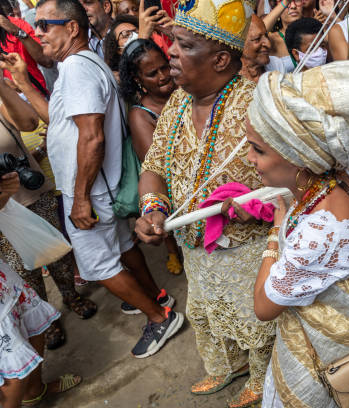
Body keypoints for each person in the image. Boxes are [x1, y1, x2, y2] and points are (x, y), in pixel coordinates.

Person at [247, 59, 349, 407]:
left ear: (299, 157)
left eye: (258, 149)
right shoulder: (348, 173)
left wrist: (277, 233)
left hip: (334, 361)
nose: (249, 158)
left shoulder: (319, 231)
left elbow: (263, 307)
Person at [135, 0, 275, 405]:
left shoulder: (256, 105)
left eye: (183, 45)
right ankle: (226, 367)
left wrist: (256, 206)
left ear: (218, 59)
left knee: (255, 321)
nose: (170, 54)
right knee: (207, 314)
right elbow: (154, 166)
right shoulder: (177, 103)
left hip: (248, 252)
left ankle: (260, 379)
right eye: (172, 44)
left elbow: (289, 184)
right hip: (195, 249)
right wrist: (153, 208)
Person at [24, 0, 183, 358]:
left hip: (91, 191)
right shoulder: (80, 64)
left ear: (72, 28)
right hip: (98, 186)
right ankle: (157, 297)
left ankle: (159, 317)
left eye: (46, 25)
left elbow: (92, 135)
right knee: (124, 248)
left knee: (98, 266)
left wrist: (79, 198)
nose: (38, 33)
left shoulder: (78, 69)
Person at [0, 64, 97, 350]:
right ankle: (47, 320)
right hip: (2, 213)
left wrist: (3, 86)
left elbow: (30, 123)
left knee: (56, 253)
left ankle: (71, 296)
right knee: (25, 270)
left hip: (30, 194)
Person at [0, 172, 81, 408]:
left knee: (30, 325)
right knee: (10, 366)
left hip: (5, 280)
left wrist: (3, 195)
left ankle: (35, 391)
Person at [118, 38, 182, 275]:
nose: (163, 75)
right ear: (138, 80)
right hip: (171, 187)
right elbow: (156, 165)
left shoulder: (184, 90)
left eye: (165, 67)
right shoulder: (140, 115)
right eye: (152, 73)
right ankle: (173, 250)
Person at [0, 1, 53, 95]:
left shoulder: (17, 25)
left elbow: (46, 61)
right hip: (7, 101)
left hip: (35, 94)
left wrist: (17, 32)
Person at [263, 0, 302, 72]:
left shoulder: (312, 32)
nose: (293, 6)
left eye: (297, 0)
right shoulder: (272, 40)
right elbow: (258, 32)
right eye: (287, 2)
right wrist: (285, 2)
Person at [239, 14, 271, 82]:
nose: (268, 44)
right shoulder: (230, 79)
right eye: (257, 39)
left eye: (266, 36)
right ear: (240, 43)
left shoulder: (277, 64)